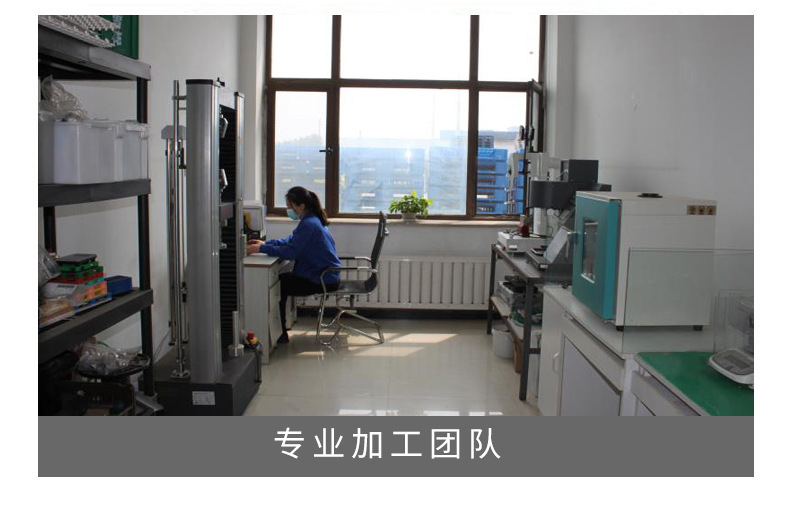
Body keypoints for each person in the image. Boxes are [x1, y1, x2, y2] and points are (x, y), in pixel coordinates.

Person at [246, 187, 341, 344]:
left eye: (290, 206)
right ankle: (281, 329)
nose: (288, 210)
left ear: (301, 206)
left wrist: (261, 249)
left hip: (322, 278)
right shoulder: (312, 220)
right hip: (324, 275)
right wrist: (266, 244)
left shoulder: (309, 224)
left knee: (281, 285)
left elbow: (292, 252)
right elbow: (291, 240)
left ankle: (280, 334)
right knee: (283, 281)